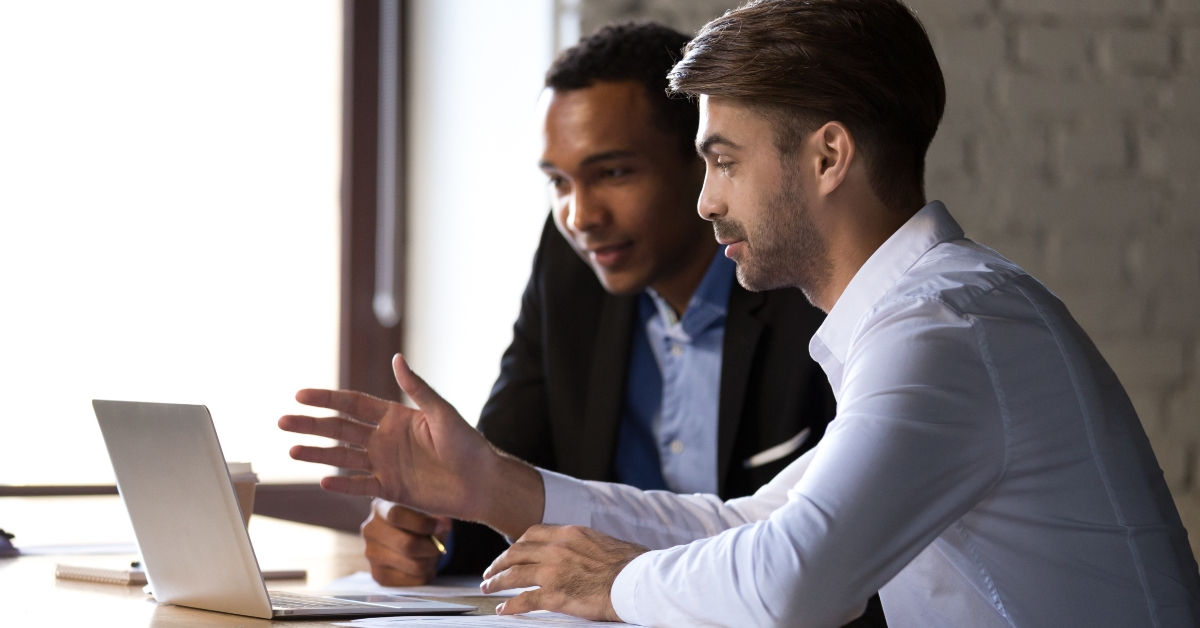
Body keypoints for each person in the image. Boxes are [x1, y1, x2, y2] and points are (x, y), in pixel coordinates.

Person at [280, 1, 1200, 626]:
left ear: (828, 156)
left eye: (723, 160)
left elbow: (795, 579)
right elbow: (748, 526)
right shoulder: (923, 319)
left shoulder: (949, 329)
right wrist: (497, 488)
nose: (707, 199)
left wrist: (619, 584)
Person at [359, 22, 891, 623]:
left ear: (704, 164)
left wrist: (619, 581)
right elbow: (510, 471)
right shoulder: (569, 271)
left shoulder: (810, 281)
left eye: (613, 173)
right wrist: (432, 528)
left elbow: (824, 555)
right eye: (558, 182)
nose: (580, 215)